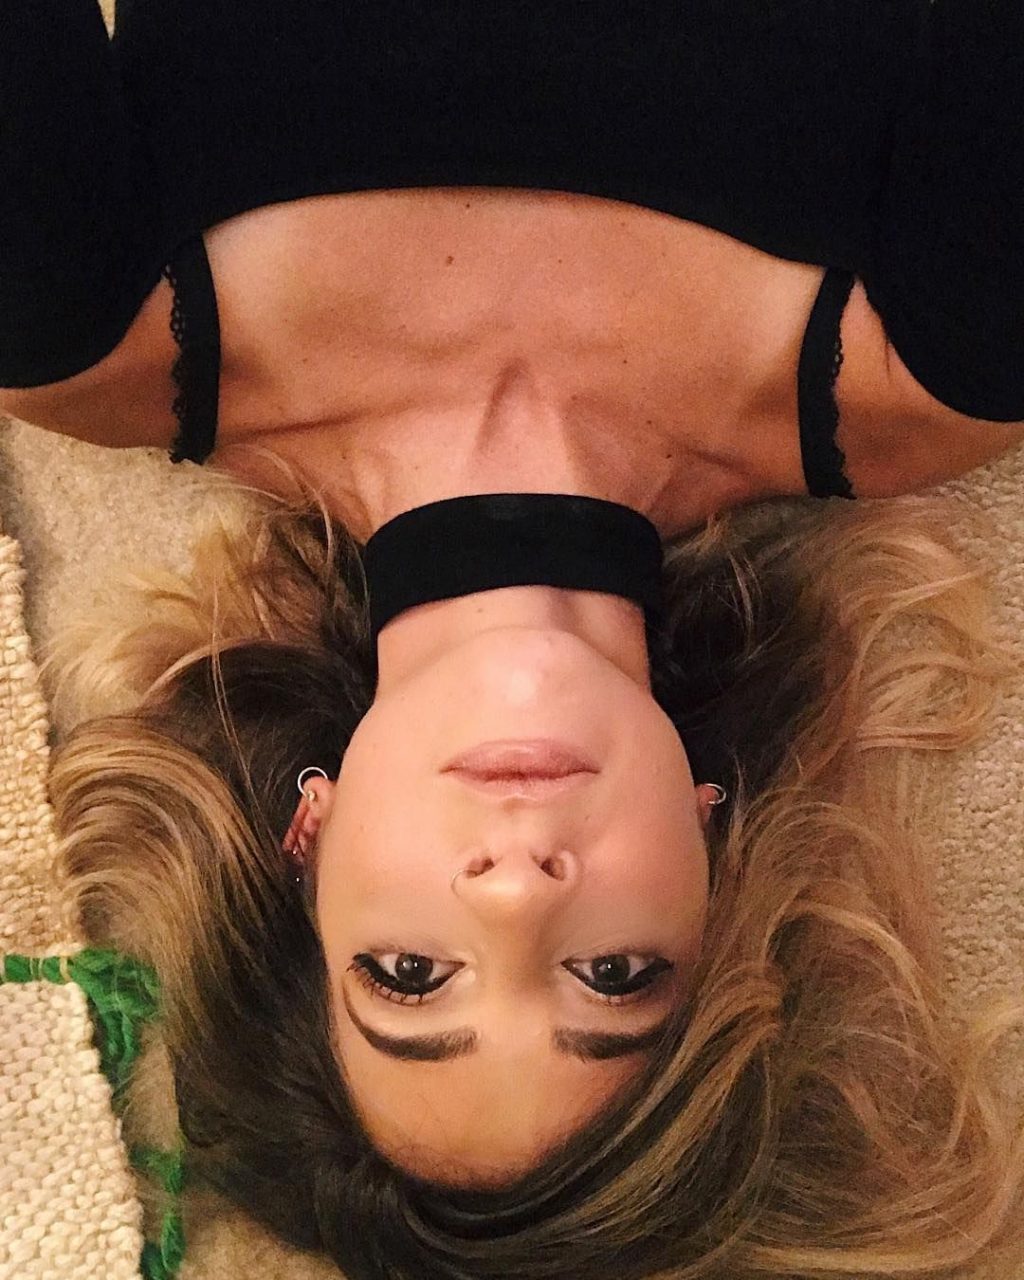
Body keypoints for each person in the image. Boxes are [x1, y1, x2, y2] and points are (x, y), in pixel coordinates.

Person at [4, 2, 1024, 1277]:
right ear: (713, 853)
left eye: (408, 972)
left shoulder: (79, 332)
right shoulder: (936, 368)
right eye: (615, 971)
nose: (518, 890)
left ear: (306, 843)